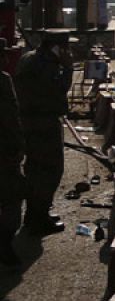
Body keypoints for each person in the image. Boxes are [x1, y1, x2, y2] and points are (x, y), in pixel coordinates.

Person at [14, 32, 72, 235]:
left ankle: (35, 214)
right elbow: (60, 89)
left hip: (30, 121)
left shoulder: (30, 57)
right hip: (43, 123)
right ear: (57, 47)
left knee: (35, 170)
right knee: (50, 171)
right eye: (66, 48)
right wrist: (68, 67)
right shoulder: (46, 65)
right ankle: (37, 218)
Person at [0, 70, 29, 265]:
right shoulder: (3, 80)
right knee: (11, 197)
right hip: (5, 152)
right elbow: (10, 116)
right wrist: (19, 145)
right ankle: (5, 244)